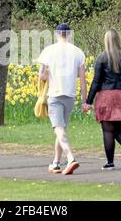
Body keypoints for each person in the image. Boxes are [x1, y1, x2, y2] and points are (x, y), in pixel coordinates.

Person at [38, 24, 86, 175]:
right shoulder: (78, 52)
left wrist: (47, 75)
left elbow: (42, 76)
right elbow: (83, 80)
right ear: (69, 35)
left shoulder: (49, 51)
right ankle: (56, 163)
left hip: (55, 95)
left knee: (58, 129)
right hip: (70, 96)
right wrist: (85, 100)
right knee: (61, 129)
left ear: (57, 34)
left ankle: (71, 158)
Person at [83, 29, 121, 170]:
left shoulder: (101, 58)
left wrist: (88, 101)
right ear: (118, 40)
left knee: (108, 131)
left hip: (107, 95)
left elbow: (96, 82)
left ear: (106, 41)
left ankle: (110, 163)